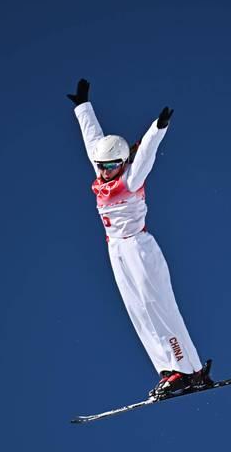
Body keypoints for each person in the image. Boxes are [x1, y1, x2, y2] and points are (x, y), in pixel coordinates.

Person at [68, 78, 209, 398]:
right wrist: (82, 107)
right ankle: (173, 370)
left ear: (121, 163)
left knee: (156, 304)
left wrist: (158, 128)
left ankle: (189, 369)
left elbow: (146, 154)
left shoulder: (130, 178)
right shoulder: (103, 170)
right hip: (115, 248)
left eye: (110, 166)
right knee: (137, 309)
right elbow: (94, 140)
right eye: (101, 166)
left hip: (138, 246)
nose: (103, 171)